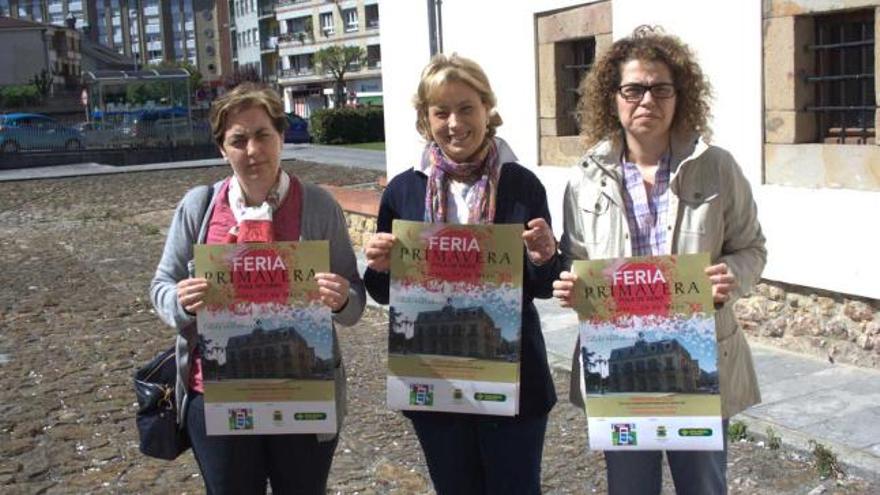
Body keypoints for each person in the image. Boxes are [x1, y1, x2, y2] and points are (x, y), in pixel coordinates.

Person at [552, 26, 766, 495]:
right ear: (613, 98)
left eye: (660, 88)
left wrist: (731, 275)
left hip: (698, 362)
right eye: (633, 88)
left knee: (703, 487)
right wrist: (574, 286)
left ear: (678, 96)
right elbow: (577, 258)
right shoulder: (585, 178)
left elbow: (752, 247)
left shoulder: (717, 166)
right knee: (629, 488)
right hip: (623, 368)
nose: (647, 99)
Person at [149, 82, 365, 494]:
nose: (253, 150)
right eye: (238, 139)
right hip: (216, 394)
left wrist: (340, 300)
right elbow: (161, 285)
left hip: (302, 393)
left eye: (263, 134)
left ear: (281, 137)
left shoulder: (318, 206)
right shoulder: (199, 206)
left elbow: (355, 300)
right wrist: (180, 301)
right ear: (221, 148)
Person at [363, 53, 560, 494]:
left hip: (515, 382)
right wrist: (378, 266)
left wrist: (546, 257)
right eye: (441, 111)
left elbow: (543, 286)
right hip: (434, 378)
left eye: (466, 108)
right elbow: (382, 291)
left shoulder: (521, 184)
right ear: (425, 119)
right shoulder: (403, 190)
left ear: (487, 109)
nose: (455, 122)